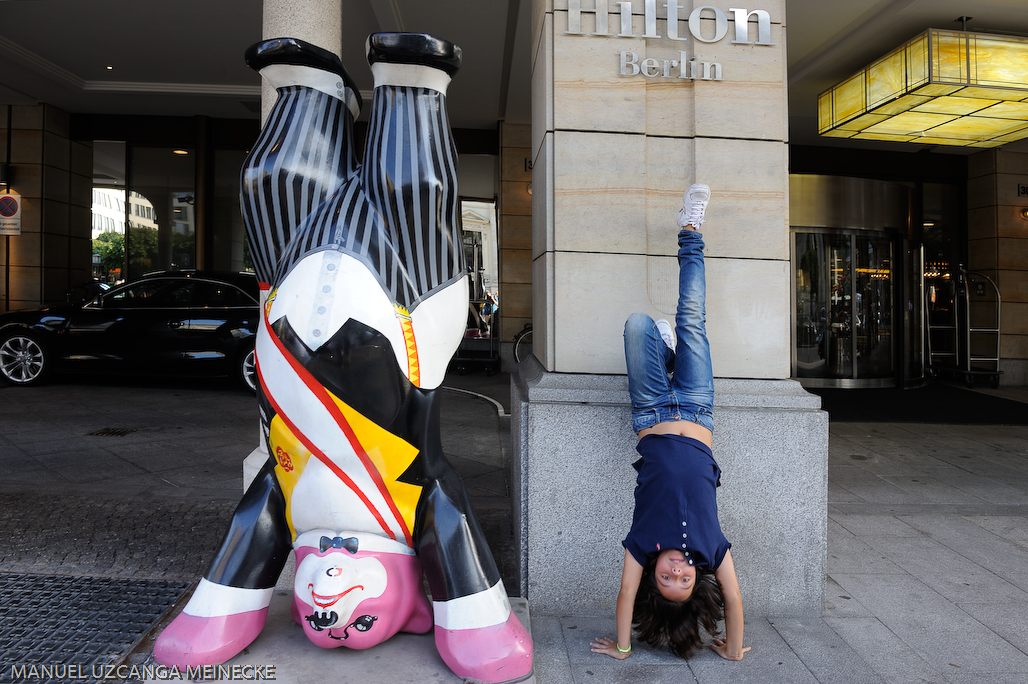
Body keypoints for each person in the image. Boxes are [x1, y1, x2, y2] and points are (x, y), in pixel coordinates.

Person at [590, 184, 749, 662]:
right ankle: (690, 228)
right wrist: (734, 649)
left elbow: (623, 595)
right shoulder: (712, 549)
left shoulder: (640, 545)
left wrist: (622, 646)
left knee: (637, 325)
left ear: (653, 575)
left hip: (653, 411)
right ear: (697, 579)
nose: (676, 570)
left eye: (666, 578)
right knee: (693, 319)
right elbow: (736, 601)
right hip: (698, 409)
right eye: (684, 579)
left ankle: (663, 350)